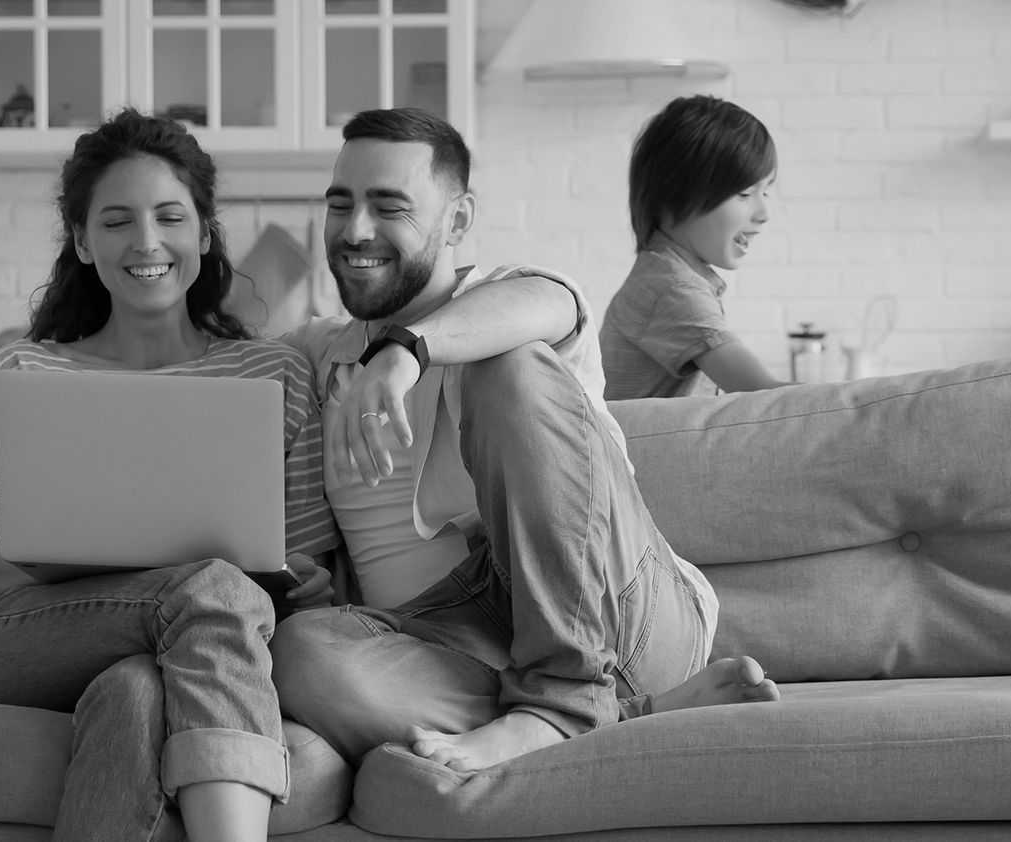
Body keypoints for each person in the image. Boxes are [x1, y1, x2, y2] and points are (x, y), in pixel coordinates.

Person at [268, 107, 781, 776]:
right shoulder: (321, 358)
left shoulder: (510, 298)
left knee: (506, 362)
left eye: (388, 206)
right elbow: (220, 347)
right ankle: (622, 716)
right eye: (341, 205)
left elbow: (549, 305)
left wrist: (407, 350)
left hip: (616, 609)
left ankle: (562, 700)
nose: (356, 230)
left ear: (457, 221)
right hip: (452, 639)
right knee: (297, 652)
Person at [0, 109, 338, 842]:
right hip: (32, 640)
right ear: (81, 241)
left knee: (135, 693)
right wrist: (68, 572)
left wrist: (306, 578)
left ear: (203, 233)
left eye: (170, 217)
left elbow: (310, 561)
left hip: (206, 647)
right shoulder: (21, 372)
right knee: (211, 589)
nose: (146, 242)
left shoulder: (273, 373)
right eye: (116, 221)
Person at [602, 95, 793, 399]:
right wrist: (864, 400)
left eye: (765, 192)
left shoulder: (668, 276)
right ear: (674, 195)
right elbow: (763, 393)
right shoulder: (671, 289)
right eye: (744, 194)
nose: (763, 213)